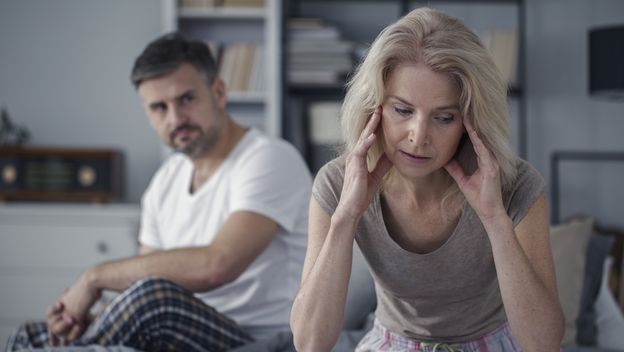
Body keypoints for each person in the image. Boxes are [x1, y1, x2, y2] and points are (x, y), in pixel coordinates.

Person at [6, 32, 312, 352]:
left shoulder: (269, 158)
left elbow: (218, 265)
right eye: (159, 108)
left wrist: (93, 278)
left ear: (218, 92)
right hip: (174, 330)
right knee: (29, 338)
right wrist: (99, 317)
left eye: (186, 99)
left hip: (258, 338)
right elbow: (142, 280)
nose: (175, 118)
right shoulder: (165, 180)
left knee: (155, 298)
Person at [290, 7, 564, 352]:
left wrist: (495, 220)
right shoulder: (336, 183)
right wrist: (346, 217)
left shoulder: (516, 184)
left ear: (470, 122)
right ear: (373, 108)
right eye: (402, 110)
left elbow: (544, 344)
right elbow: (309, 342)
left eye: (444, 117)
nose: (418, 136)